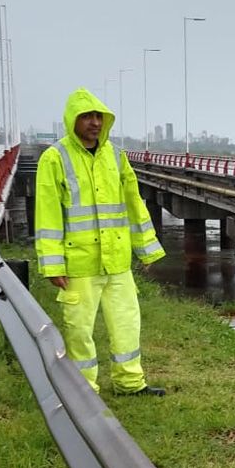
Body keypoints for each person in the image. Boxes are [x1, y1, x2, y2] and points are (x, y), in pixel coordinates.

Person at [35, 88, 167, 396]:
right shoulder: (55, 158)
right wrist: (53, 264)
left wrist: (146, 250)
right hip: (79, 264)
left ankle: (130, 383)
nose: (94, 123)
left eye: (99, 117)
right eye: (87, 117)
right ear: (73, 120)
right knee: (80, 332)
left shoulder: (115, 155)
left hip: (117, 262)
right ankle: (85, 393)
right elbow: (48, 215)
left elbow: (133, 204)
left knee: (127, 326)